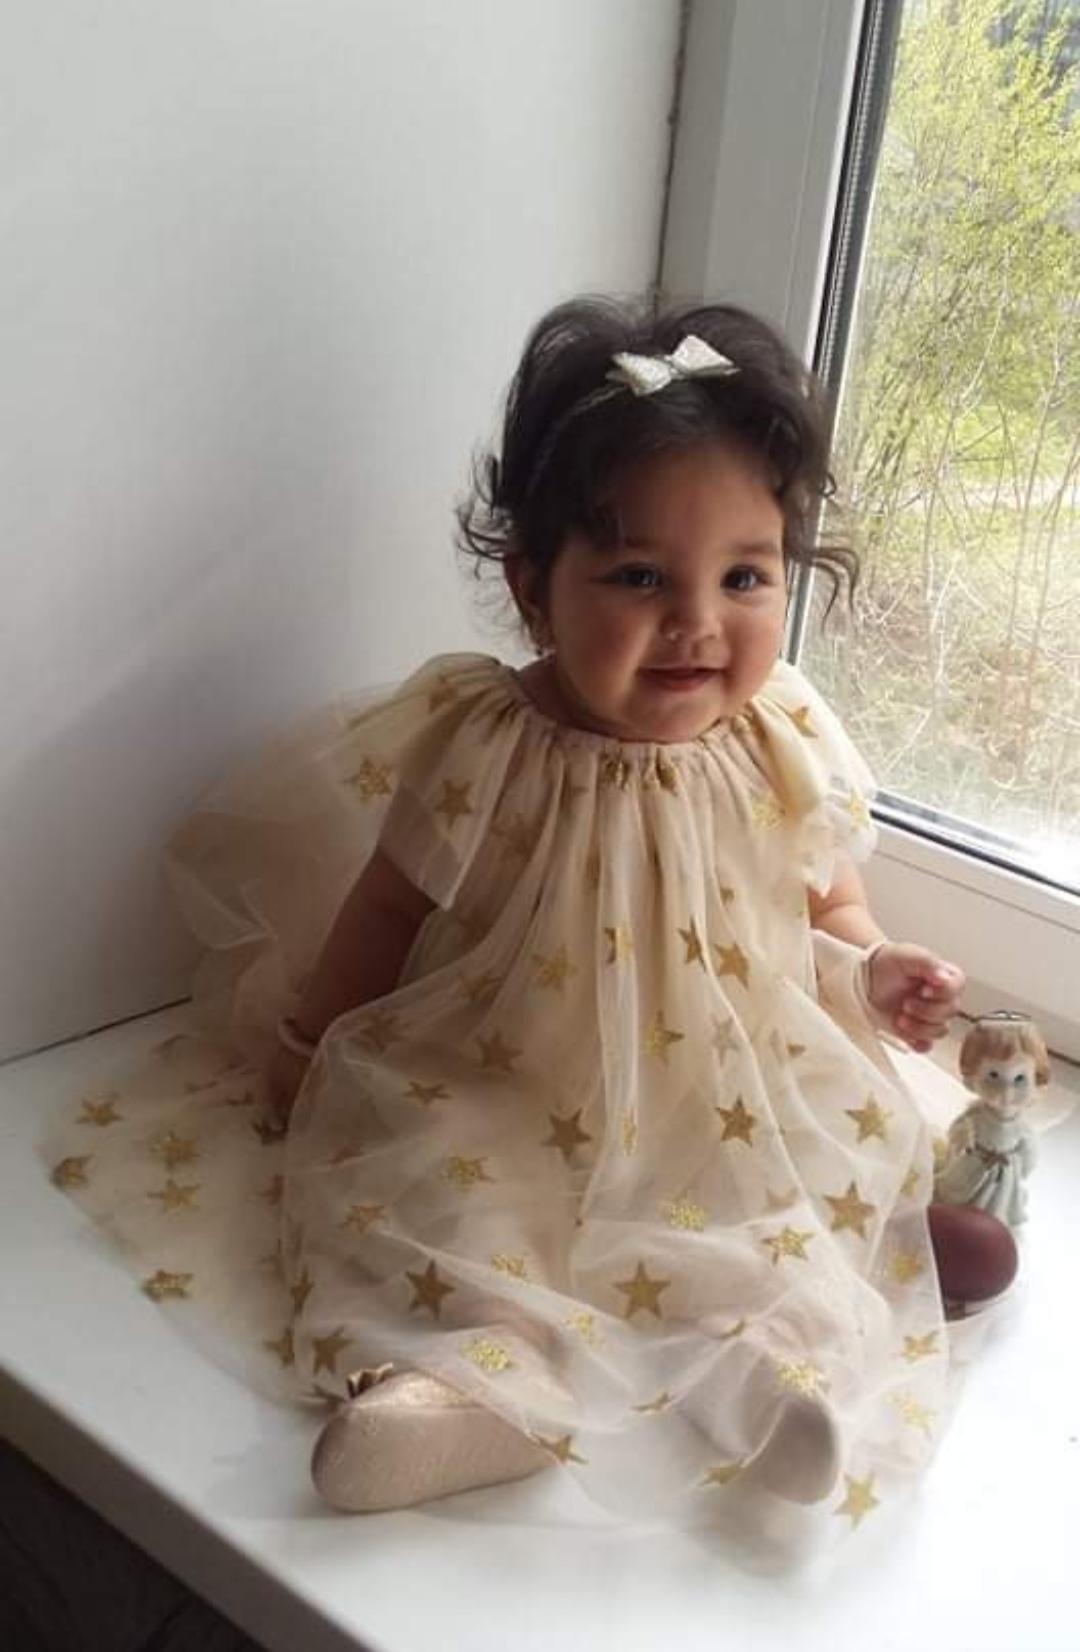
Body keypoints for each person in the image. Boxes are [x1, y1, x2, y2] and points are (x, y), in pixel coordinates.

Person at [46, 298, 1017, 1553]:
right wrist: (306, 1039)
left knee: (762, 1201)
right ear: (533, 588)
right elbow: (390, 902)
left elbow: (821, 893)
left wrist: (874, 963)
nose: (698, 621)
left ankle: (762, 1371)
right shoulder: (493, 743)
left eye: (744, 575)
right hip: (502, 1071)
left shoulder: (777, 731)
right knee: (447, 1196)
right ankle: (476, 1387)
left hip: (728, 1075)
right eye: (639, 576)